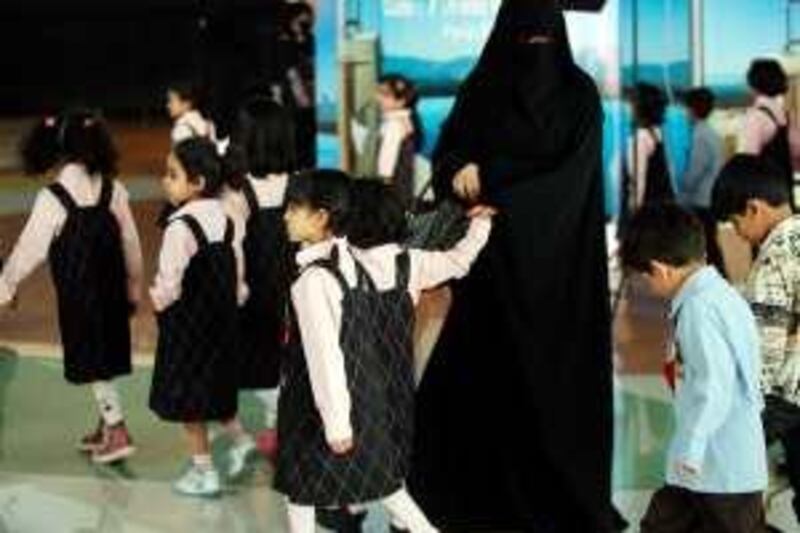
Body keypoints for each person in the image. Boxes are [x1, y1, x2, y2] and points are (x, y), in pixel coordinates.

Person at [408, 1, 614, 530]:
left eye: (545, 38)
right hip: (491, 273)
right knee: (482, 383)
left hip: (559, 276)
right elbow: (448, 151)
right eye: (527, 38)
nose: (537, 50)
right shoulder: (482, 90)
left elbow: (571, 180)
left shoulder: (580, 96)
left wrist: (493, 182)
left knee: (548, 387)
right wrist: (459, 170)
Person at [276, 169, 494, 533]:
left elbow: (326, 353)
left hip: (343, 388)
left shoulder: (336, 269)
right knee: (386, 470)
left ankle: (352, 510)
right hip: (392, 383)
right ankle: (398, 523)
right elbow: (459, 261)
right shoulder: (406, 263)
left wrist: (337, 421)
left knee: (318, 478)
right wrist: (480, 227)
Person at [0, 109, 142, 464]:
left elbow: (28, 250)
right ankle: (107, 426)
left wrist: (5, 286)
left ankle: (118, 429)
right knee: (104, 360)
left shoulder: (54, 198)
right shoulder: (115, 191)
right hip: (112, 293)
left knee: (94, 365)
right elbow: (132, 246)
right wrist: (134, 289)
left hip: (80, 297)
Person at [620, 203, 768, 533]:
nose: (644, 287)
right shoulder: (722, 296)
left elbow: (715, 385)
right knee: (661, 525)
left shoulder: (699, 310)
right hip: (702, 464)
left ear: (660, 270)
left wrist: (692, 446)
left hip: (720, 465)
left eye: (642, 278)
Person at [149, 138, 247, 497]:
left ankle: (204, 472)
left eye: (173, 175)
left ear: (198, 183)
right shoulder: (225, 216)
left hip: (188, 327)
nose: (165, 181)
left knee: (189, 403)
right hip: (220, 324)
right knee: (215, 390)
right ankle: (240, 441)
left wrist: (157, 302)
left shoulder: (180, 227)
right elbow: (234, 269)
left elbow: (169, 282)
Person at [712, 154, 800, 528]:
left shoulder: (771, 259)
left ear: (754, 208)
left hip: (792, 398)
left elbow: (765, 354)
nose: (737, 232)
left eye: (735, 223)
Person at [221, 96, 298, 462]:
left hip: (255, 293)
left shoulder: (238, 191)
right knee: (289, 360)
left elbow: (232, 246)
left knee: (251, 366)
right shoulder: (300, 183)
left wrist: (234, 289)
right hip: (296, 290)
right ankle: (278, 427)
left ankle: (276, 425)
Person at [738, 59, 800, 210]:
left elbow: (747, 161)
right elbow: (797, 153)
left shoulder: (755, 116)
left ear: (753, 84)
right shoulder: (786, 116)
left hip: (763, 198)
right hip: (785, 192)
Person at [679, 87, 725, 274]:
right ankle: (721, 279)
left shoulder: (701, 135)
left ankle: (720, 279)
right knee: (710, 243)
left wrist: (680, 189)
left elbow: (693, 175)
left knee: (707, 246)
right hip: (709, 198)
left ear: (692, 109)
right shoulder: (711, 133)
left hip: (701, 201)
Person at [621, 82, 675, 231]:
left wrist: (634, 217)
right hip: (663, 211)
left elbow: (638, 181)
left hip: (647, 214)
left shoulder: (640, 138)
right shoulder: (657, 134)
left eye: (631, 103)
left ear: (639, 107)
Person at [376, 74, 424, 208]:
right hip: (404, 186)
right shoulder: (406, 120)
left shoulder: (393, 124)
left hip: (393, 188)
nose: (378, 98)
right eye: (378, 92)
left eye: (384, 94)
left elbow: (386, 162)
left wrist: (381, 187)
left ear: (401, 101)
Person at [166, 81, 216, 145]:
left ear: (186, 104)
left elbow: (175, 154)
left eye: (171, 101)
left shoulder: (180, 129)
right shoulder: (209, 124)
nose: (168, 105)